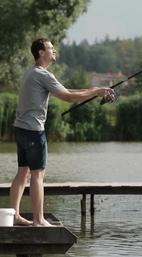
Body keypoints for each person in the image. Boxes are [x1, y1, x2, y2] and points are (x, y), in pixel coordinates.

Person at [10, 38, 114, 226]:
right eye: (51, 48)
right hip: (34, 131)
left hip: (21, 129)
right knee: (38, 174)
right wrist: (94, 93)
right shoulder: (43, 75)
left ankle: (15, 215)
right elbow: (68, 97)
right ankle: (38, 219)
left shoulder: (31, 72)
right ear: (41, 53)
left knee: (23, 172)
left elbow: (65, 90)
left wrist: (93, 90)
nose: (54, 50)